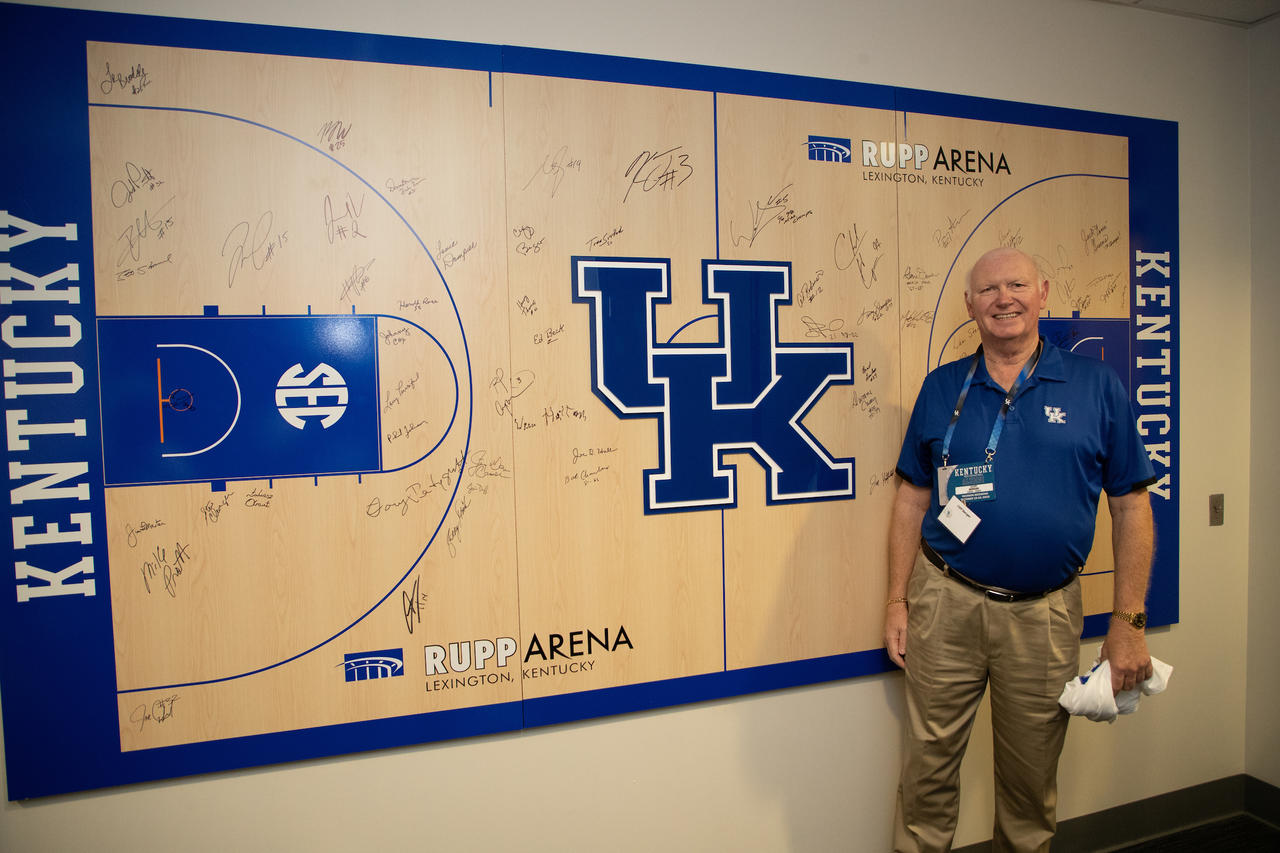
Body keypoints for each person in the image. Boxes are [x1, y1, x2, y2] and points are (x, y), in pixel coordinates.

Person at [883, 246, 1157, 853]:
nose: (1003, 299)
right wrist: (898, 600)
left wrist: (1129, 622)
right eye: (988, 290)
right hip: (944, 603)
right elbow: (910, 498)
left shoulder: (1096, 387)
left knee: (1031, 787)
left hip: (1046, 613)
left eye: (1016, 285)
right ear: (970, 306)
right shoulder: (942, 387)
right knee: (926, 774)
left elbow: (1132, 507)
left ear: (1043, 293)